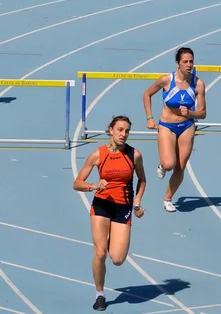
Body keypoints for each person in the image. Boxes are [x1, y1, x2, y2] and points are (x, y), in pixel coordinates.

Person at [73, 115, 147, 311]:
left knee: (117, 258)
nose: (124, 134)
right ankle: (100, 294)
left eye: (127, 131)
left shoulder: (135, 155)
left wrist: (137, 203)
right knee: (99, 253)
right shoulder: (98, 154)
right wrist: (94, 186)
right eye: (120, 130)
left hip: (123, 208)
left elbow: (142, 180)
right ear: (111, 131)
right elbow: (77, 183)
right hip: (102, 206)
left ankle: (110, 238)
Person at [143, 47, 206, 213]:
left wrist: (191, 113)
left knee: (180, 166)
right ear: (178, 63)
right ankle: (162, 165)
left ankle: (167, 198)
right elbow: (147, 94)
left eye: (191, 61)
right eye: (185, 61)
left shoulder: (198, 83)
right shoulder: (166, 80)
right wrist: (150, 118)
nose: (189, 64)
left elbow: (203, 113)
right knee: (169, 163)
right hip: (167, 125)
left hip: (187, 125)